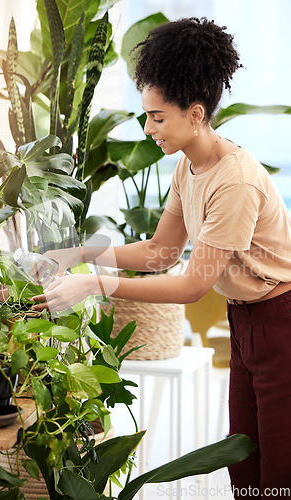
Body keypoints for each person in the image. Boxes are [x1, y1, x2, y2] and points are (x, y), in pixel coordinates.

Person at [31, 17, 291, 497]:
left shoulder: (232, 179)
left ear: (195, 113)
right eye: (148, 115)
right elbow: (161, 251)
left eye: (158, 117)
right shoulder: (190, 166)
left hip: (281, 324)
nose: (149, 129)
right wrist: (77, 253)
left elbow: (192, 286)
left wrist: (95, 284)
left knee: (279, 477)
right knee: (247, 469)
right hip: (247, 324)